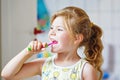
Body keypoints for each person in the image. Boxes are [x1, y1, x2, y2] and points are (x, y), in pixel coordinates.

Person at [1, 6, 103, 80]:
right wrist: (27, 52)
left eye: (59, 29)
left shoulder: (85, 70)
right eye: (51, 28)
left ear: (77, 38)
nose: (52, 33)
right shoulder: (44, 64)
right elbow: (7, 74)